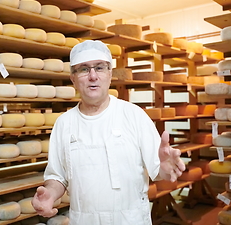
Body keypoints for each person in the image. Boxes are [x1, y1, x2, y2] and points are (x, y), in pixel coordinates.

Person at [32, 40, 186, 225]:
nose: (93, 76)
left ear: (110, 74)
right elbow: (58, 177)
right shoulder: (64, 124)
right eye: (83, 69)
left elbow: (159, 171)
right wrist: (49, 194)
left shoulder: (134, 115)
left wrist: (165, 167)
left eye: (99, 67)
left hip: (130, 220)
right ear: (73, 78)